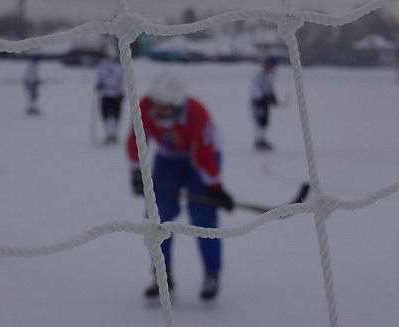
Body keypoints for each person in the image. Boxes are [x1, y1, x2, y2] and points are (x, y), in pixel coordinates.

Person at [126, 70, 234, 301]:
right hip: (168, 159)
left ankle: (211, 273)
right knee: (157, 217)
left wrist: (215, 188)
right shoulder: (145, 106)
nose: (159, 110)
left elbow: (203, 155)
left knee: (203, 216)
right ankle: (161, 275)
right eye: (156, 104)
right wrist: (136, 172)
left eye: (165, 106)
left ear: (178, 104)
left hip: (202, 160)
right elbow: (136, 138)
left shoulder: (197, 113)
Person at [95, 45, 125, 144]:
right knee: (105, 115)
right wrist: (98, 85)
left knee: (116, 115)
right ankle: (107, 133)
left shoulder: (119, 67)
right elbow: (99, 77)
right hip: (106, 94)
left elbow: (122, 80)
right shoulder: (102, 65)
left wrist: (121, 92)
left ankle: (114, 134)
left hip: (116, 95)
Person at [250, 56, 278, 151]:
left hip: (264, 102)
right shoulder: (260, 76)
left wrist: (272, 97)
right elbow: (255, 89)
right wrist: (262, 98)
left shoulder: (270, 76)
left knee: (265, 122)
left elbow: (269, 88)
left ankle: (262, 139)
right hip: (258, 102)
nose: (274, 68)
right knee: (259, 121)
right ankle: (259, 141)